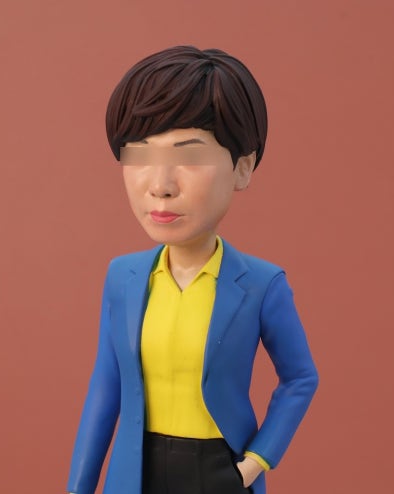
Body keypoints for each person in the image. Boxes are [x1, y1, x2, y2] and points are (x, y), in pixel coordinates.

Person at [67, 45, 318, 494]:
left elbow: (300, 377)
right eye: (139, 155)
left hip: (218, 470)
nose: (160, 185)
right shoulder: (123, 278)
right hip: (138, 469)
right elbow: (106, 388)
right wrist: (78, 487)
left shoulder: (262, 285)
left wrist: (254, 464)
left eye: (190, 156)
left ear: (242, 168)